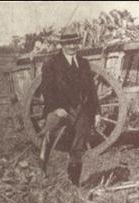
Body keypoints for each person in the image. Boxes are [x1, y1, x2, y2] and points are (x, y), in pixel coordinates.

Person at [39, 32, 100, 186]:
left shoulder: (83, 63)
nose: (72, 46)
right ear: (62, 45)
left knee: (79, 146)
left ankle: (74, 183)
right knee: (49, 138)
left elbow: (92, 90)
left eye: (75, 43)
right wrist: (56, 108)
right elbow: (47, 90)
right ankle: (42, 173)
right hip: (59, 109)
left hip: (82, 109)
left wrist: (97, 112)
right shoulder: (51, 64)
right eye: (68, 43)